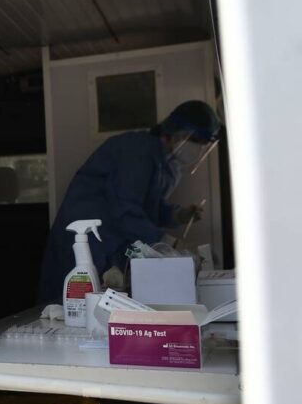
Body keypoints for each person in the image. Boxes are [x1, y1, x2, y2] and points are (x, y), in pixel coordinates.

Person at [38, 100, 222, 301]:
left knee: (108, 301)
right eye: (195, 140)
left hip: (115, 241)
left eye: (203, 144)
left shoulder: (165, 163)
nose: (197, 148)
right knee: (68, 302)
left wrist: (177, 215)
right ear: (177, 131)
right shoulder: (136, 151)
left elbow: (148, 208)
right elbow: (126, 210)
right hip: (89, 238)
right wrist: (170, 243)